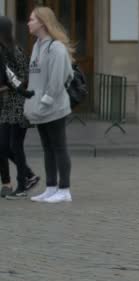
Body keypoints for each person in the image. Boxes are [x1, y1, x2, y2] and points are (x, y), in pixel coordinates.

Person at [24, 7, 74, 203]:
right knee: (47, 148)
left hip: (54, 108)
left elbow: (56, 80)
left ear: (42, 23)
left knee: (59, 147)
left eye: (31, 20)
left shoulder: (56, 48)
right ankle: (51, 187)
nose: (28, 23)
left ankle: (64, 190)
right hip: (39, 109)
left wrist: (45, 102)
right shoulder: (37, 45)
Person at [0, 16, 40, 199]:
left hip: (18, 105)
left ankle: (23, 184)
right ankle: (29, 175)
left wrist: (8, 86)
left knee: (16, 146)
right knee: (4, 146)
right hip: (7, 105)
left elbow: (25, 77)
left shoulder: (15, 51)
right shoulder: (3, 51)